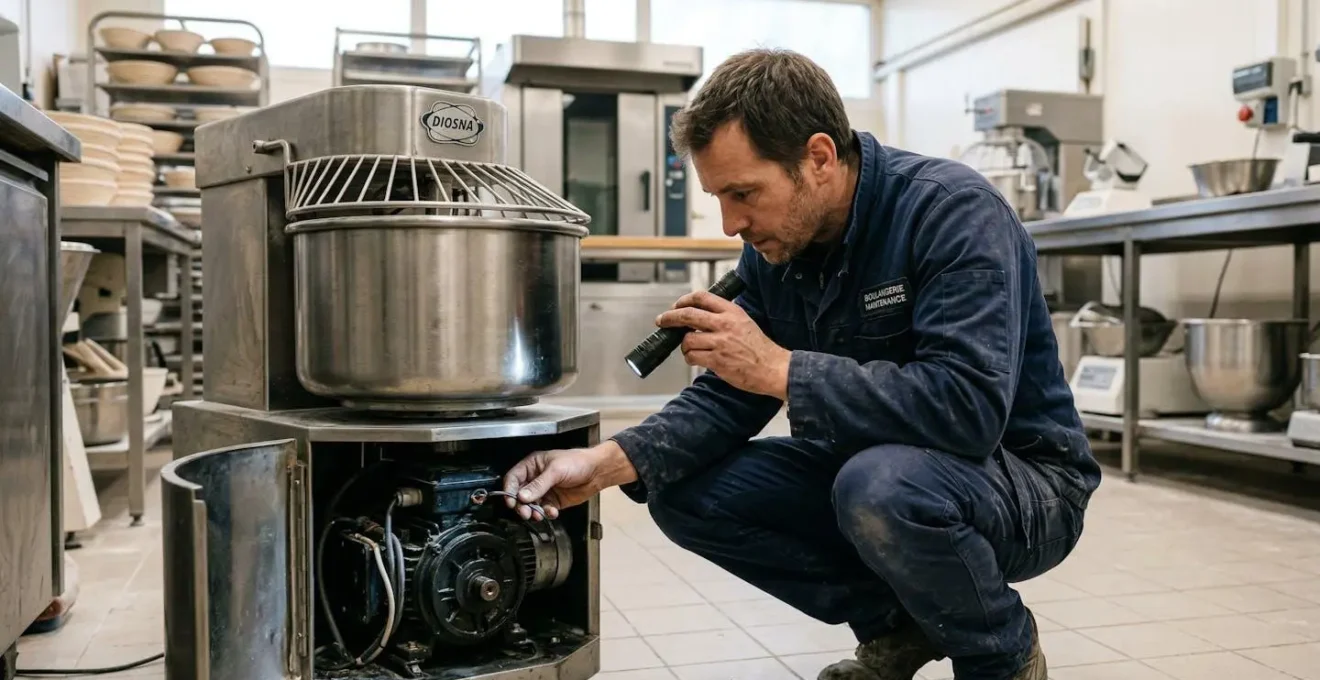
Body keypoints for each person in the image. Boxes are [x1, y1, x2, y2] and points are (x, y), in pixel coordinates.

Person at [502, 48, 1100, 680]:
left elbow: (968, 410)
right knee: (683, 490)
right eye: (718, 198)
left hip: (1026, 483)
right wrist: (606, 463)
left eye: (743, 193)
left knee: (880, 486)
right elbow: (732, 396)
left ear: (818, 157)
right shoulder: (778, 249)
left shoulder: (951, 212)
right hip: (876, 474)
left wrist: (780, 369)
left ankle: (1001, 652)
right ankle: (896, 629)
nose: (732, 224)